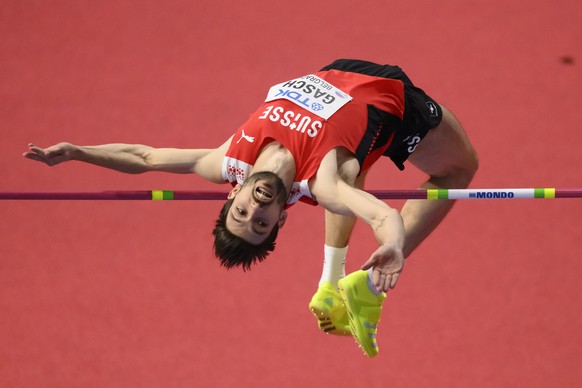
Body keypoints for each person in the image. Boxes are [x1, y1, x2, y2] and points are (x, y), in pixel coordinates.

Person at [23, 59, 478, 357]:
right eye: (261, 224)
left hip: (339, 70)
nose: (253, 211)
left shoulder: (227, 160)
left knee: (348, 171)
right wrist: (394, 247)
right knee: (457, 170)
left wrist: (78, 151)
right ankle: (361, 288)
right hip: (395, 104)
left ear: (231, 195)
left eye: (240, 214)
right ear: (280, 217)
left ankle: (330, 281)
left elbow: (145, 158)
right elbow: (383, 216)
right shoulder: (319, 182)